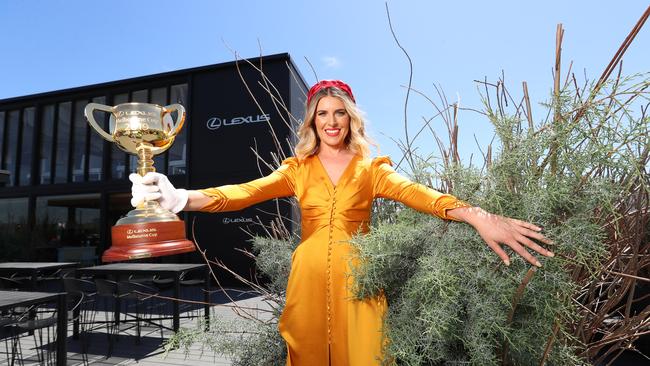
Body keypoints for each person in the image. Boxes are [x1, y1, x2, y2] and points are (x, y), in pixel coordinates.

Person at [130, 80, 554, 366]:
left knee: (369, 355)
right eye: (322, 114)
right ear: (312, 121)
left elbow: (422, 195)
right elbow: (241, 192)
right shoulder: (296, 169)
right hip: (308, 280)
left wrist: (478, 216)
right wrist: (182, 197)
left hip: (361, 280)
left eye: (339, 113)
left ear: (351, 118)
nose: (331, 121)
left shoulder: (373, 170)